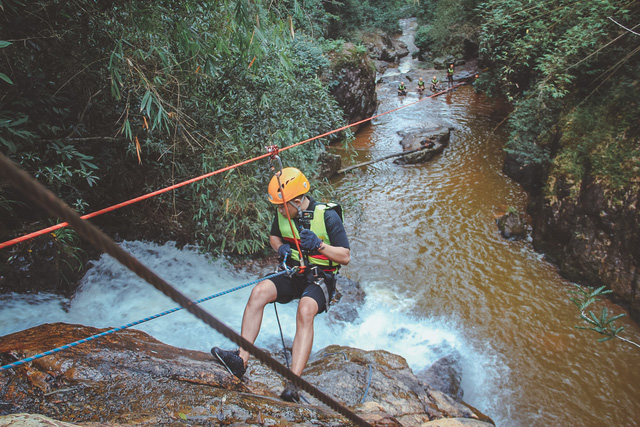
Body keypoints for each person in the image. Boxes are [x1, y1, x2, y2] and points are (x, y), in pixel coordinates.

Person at [211, 167, 350, 402]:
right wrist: (281, 248)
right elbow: (274, 237)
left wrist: (319, 246)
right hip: (294, 272)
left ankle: (294, 382)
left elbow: (345, 256)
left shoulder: (327, 216)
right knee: (259, 291)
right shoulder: (283, 214)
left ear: (297, 200)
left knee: (305, 309)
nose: (278, 210)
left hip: (321, 277)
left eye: (281, 206)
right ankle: (241, 359)